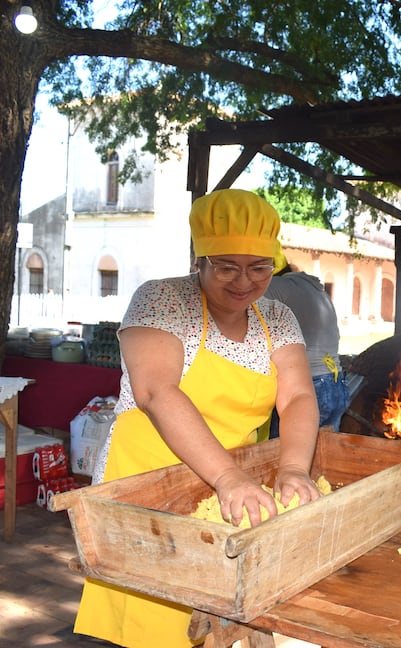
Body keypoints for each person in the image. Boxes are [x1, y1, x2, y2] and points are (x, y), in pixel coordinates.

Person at [74, 188, 321, 647]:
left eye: (259, 267)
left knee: (226, 615)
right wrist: (226, 476)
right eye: (227, 266)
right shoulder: (162, 300)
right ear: (199, 259)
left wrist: (291, 468)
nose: (244, 281)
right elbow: (155, 390)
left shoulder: (278, 317)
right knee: (155, 620)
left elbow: (298, 397)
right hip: (151, 483)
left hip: (231, 488)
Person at [264, 251, 350, 434]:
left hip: (311, 384)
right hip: (336, 382)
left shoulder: (274, 286)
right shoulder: (315, 288)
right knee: (324, 454)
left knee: (280, 454)